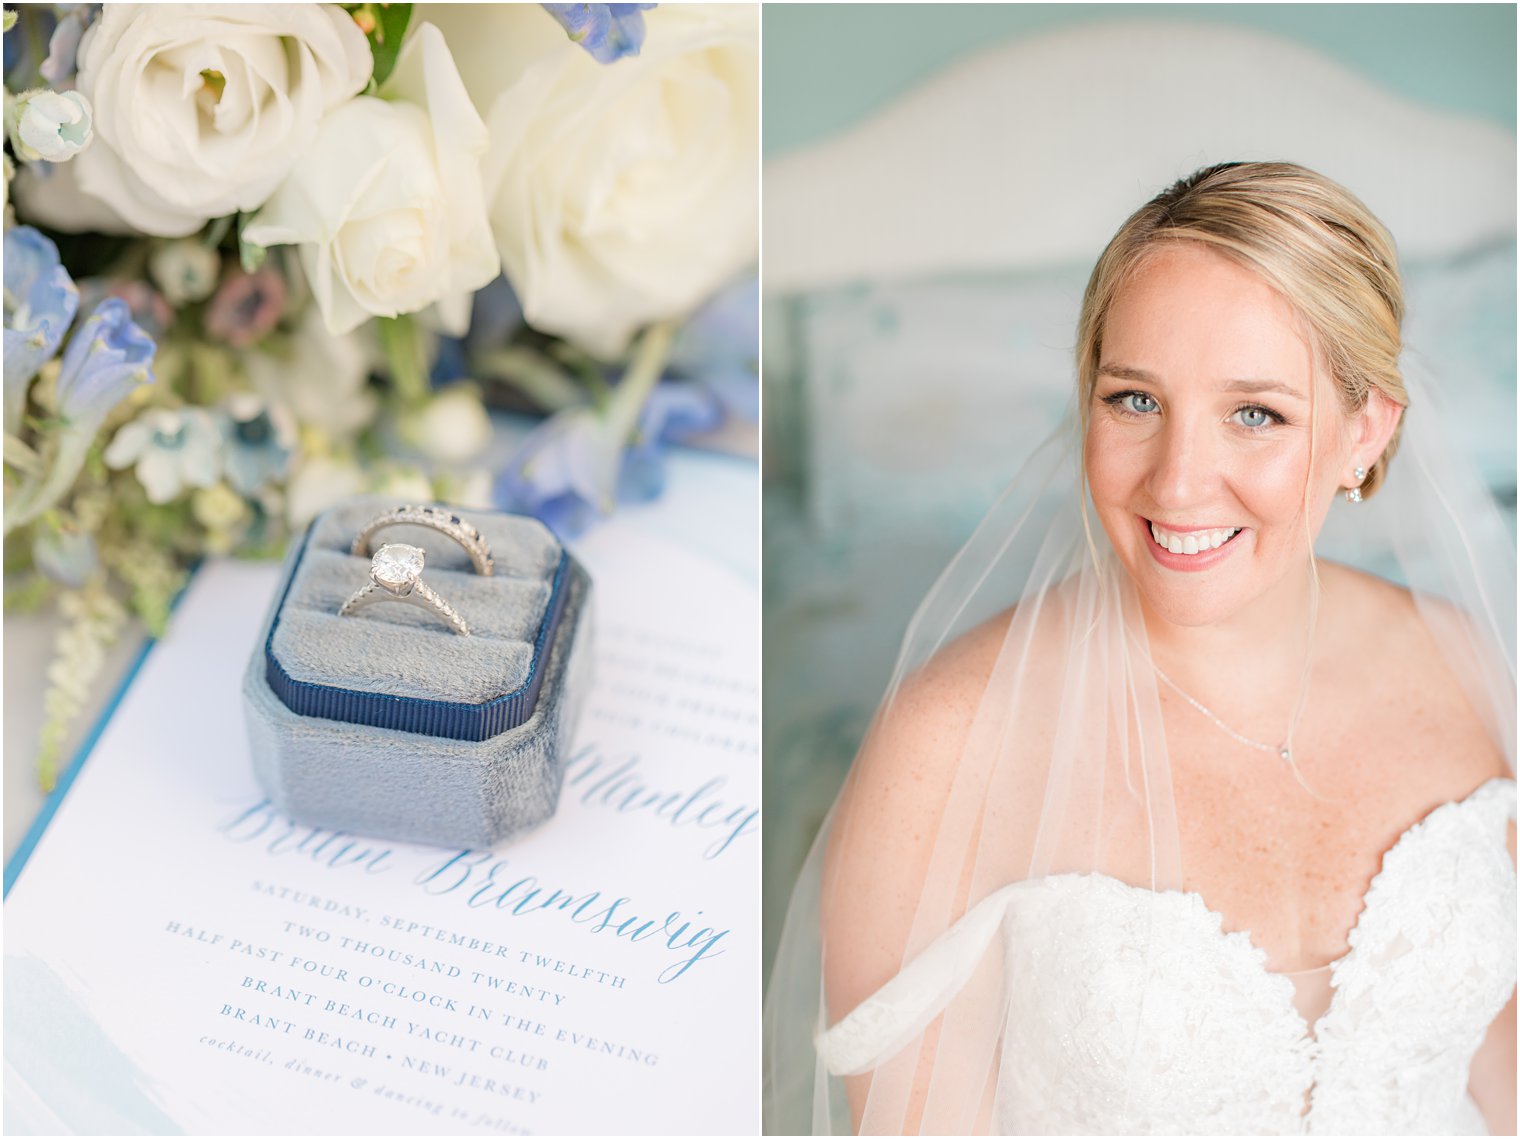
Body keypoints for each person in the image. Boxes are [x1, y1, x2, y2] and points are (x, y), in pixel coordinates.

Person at [764, 163, 1516, 1135]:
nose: (1178, 481)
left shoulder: (1467, 671)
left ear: (1362, 432)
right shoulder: (947, 742)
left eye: (1255, 413)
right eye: (1132, 400)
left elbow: (1493, 1060)